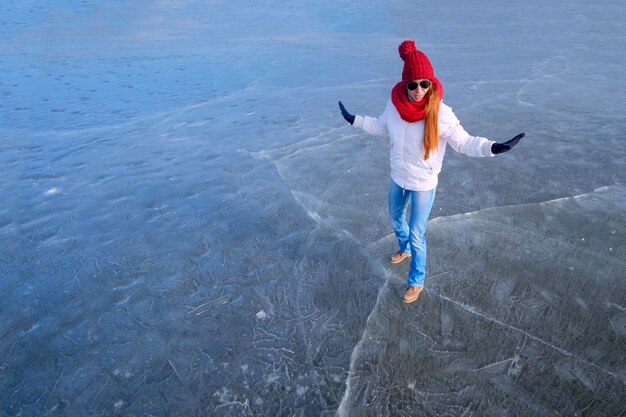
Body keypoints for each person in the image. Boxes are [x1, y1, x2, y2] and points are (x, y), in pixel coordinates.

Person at [338, 40, 524, 304]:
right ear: (405, 84)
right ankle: (404, 249)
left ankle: (416, 281)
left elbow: (465, 142)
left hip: (424, 183)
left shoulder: (442, 113)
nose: (418, 90)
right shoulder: (394, 106)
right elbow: (381, 126)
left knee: (417, 233)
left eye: (424, 83)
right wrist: (354, 120)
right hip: (398, 177)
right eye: (412, 84)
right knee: (395, 219)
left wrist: (493, 147)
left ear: (432, 83)